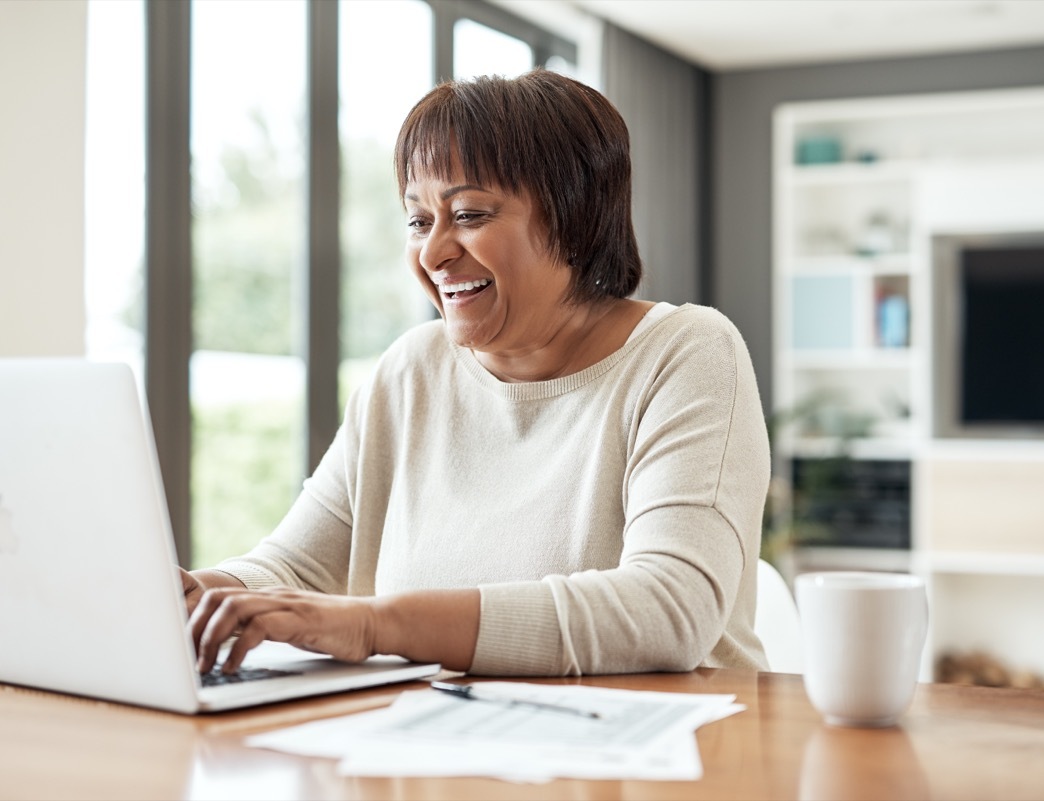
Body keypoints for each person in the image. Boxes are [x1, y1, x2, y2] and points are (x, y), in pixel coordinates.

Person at [182, 68, 771, 678]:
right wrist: (197, 595)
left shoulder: (686, 354)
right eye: (418, 220)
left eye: (467, 214)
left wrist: (377, 624)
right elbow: (294, 569)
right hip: (446, 746)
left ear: (575, 216)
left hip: (663, 752)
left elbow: (669, 611)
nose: (433, 253)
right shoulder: (411, 371)